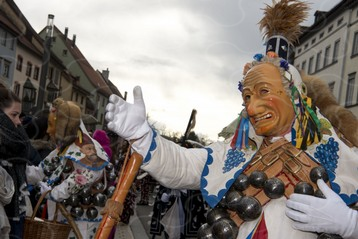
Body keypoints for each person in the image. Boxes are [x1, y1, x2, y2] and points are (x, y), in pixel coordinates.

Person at [104, 1, 358, 238]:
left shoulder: (335, 151)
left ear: (294, 95)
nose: (252, 107)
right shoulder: (240, 149)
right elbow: (184, 165)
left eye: (264, 92)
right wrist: (143, 136)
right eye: (246, 97)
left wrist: (349, 223)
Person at [26, 98, 115, 239]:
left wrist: (55, 193)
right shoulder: (61, 150)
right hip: (61, 221)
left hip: (81, 223)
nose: (48, 130)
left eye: (51, 124)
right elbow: (40, 172)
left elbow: (88, 173)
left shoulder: (89, 148)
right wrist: (17, 169)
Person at [0, 86, 42, 239]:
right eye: (14, 115)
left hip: (16, 213)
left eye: (19, 115)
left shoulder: (16, 143)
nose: (18, 121)